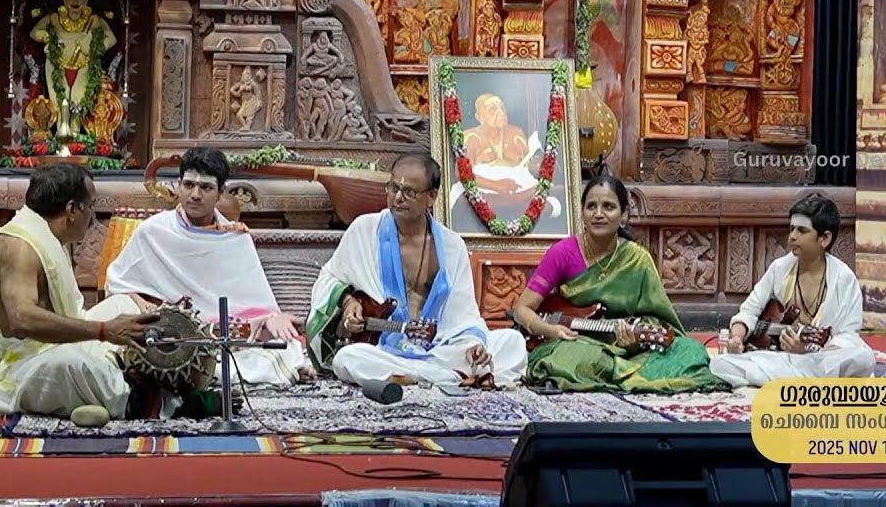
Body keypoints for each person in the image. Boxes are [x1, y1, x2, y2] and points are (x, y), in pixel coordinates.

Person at [0, 163, 157, 423]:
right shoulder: (20, 247)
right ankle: (148, 401)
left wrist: (110, 325)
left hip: (30, 353)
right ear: (72, 210)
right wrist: (104, 331)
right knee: (69, 364)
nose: (92, 216)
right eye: (90, 206)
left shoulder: (46, 235)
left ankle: (97, 390)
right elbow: (22, 319)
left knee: (122, 304)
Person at [305, 151, 527, 387]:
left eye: (409, 192)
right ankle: (450, 378)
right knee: (347, 358)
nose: (398, 198)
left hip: (441, 349)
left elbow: (464, 314)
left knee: (512, 342)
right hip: (385, 350)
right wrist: (349, 302)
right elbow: (330, 278)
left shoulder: (452, 246)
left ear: (431, 197)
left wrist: (474, 346)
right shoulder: (364, 230)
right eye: (393, 188)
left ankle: (423, 377)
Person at [104, 147, 314, 386]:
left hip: (226, 336)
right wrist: (142, 304)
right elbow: (117, 283)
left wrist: (270, 319)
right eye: (188, 185)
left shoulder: (235, 238)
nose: (195, 194)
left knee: (281, 348)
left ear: (220, 193)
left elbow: (252, 302)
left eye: (205, 187)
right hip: (171, 336)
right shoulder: (154, 231)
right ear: (178, 185)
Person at [511, 175, 729, 393]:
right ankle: (616, 373)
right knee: (571, 358)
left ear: (623, 215)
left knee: (690, 351)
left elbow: (660, 321)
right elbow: (522, 309)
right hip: (579, 343)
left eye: (608, 207)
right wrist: (547, 330)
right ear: (582, 214)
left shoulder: (637, 259)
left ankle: (611, 373)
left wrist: (632, 341)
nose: (598, 214)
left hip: (630, 348)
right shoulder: (563, 253)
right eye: (591, 207)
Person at [708, 193, 875, 387]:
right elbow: (750, 310)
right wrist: (736, 338)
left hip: (818, 360)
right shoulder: (780, 268)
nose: (792, 237)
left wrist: (806, 351)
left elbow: (847, 336)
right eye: (792, 229)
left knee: (863, 358)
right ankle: (797, 380)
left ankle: (782, 379)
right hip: (779, 358)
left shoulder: (844, 279)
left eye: (802, 231)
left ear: (825, 238)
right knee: (720, 364)